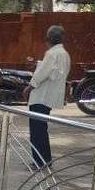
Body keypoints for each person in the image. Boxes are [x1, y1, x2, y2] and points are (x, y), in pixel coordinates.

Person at [25, 25, 71, 169]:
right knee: (41, 129)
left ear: (48, 38)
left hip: (41, 97)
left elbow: (42, 74)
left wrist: (29, 87)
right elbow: (52, 70)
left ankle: (39, 161)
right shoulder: (63, 54)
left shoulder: (52, 54)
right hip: (49, 97)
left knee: (37, 130)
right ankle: (46, 159)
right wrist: (38, 63)